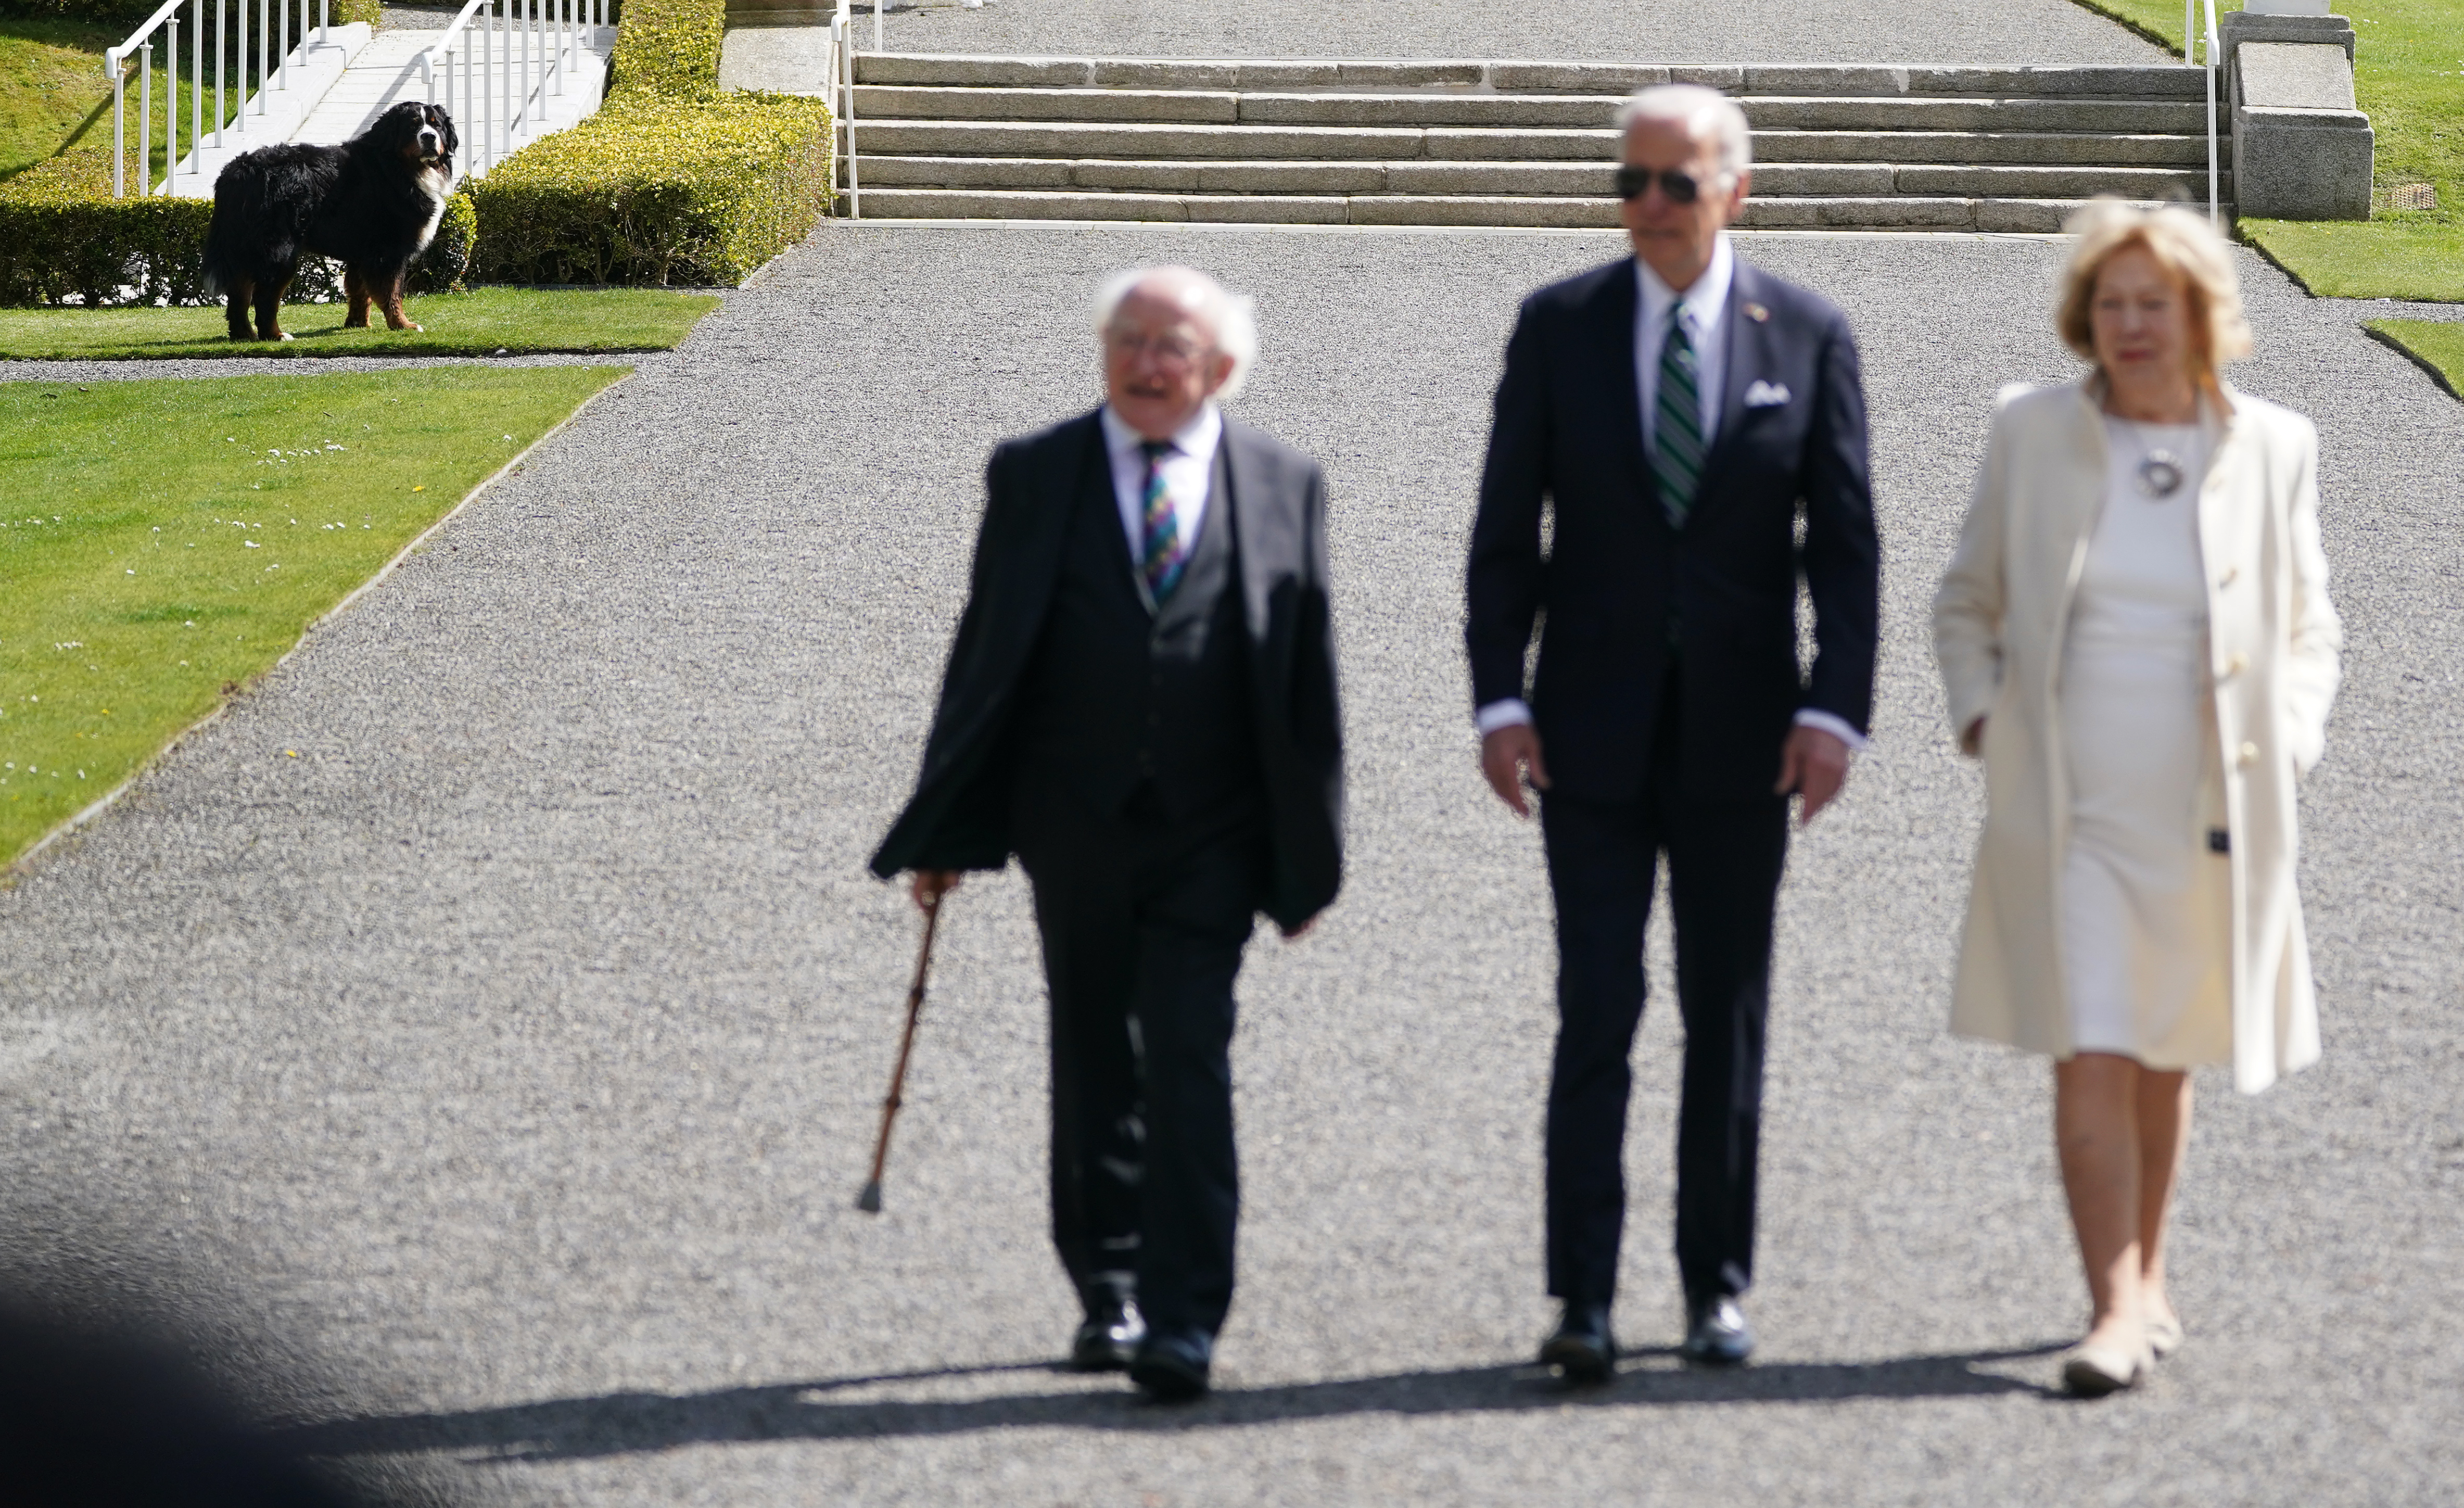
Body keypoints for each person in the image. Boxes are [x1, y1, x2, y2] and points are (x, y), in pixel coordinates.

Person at [869, 266, 1343, 1403]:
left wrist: (1310, 853)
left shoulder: (1284, 482)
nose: (1144, 362)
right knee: (1093, 1057)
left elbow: (1305, 679)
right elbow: (986, 655)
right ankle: (1109, 1288)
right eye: (1126, 340)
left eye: (1169, 345)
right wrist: (948, 820)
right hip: (1071, 823)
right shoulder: (1035, 473)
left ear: (1219, 368)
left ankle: (1185, 1318)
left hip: (1213, 830)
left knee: (1187, 1054)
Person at [1466, 84, 1879, 1382]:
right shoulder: (1560, 327)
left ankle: (1716, 1289)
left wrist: (1833, 711)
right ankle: (1581, 1300)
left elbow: (1848, 550)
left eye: (1676, 186)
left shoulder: (1807, 335)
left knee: (1727, 1013)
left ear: (1735, 193)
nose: (1648, 207)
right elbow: (1504, 536)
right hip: (1584, 731)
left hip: (1746, 741)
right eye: (1629, 184)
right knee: (1597, 1008)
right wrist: (1499, 697)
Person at [1933, 200, 2341, 1398]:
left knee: (2168, 1052)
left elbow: (2311, 627)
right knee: (2091, 1043)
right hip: (2069, 811)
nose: (2127, 325)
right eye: (2108, 305)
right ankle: (2110, 1304)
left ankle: (2147, 1280)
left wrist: (2291, 736)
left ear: (2200, 313)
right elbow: (1967, 600)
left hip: (2208, 810)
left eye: (2150, 304)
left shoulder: (2274, 446)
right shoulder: (2033, 432)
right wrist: (1980, 712)